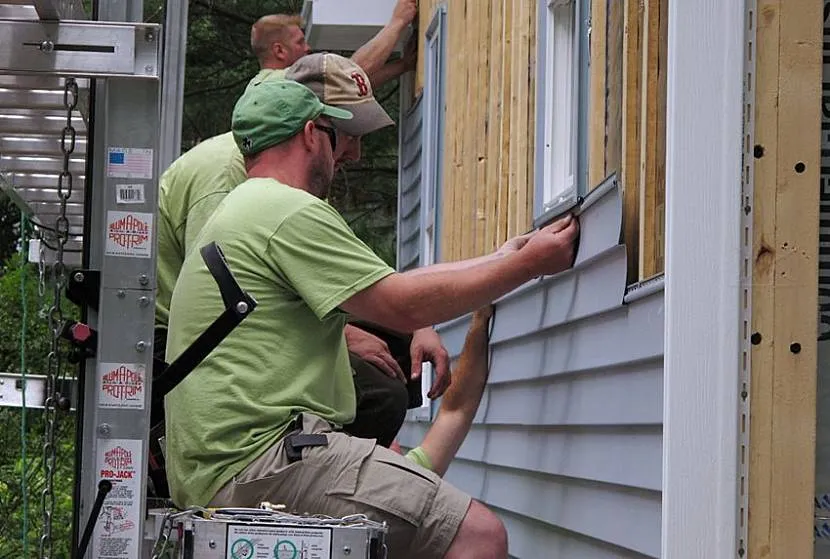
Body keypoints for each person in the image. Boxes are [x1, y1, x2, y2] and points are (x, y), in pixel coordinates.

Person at [163, 78, 579, 558]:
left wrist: (500, 259)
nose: (350, 157)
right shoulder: (284, 210)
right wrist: (529, 266)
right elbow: (401, 304)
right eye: (338, 138)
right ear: (309, 134)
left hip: (225, 469)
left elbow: (389, 286)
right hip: (264, 460)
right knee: (480, 537)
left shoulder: (241, 210)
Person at [154, 2, 442, 448]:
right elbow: (228, 300)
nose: (354, 155)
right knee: (381, 394)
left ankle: (354, 462)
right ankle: (313, 476)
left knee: (401, 350)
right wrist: (344, 337)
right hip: (198, 345)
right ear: (310, 130)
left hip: (255, 305)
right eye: (347, 137)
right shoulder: (227, 182)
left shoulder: (291, 162)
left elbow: (339, 268)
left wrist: (418, 322)